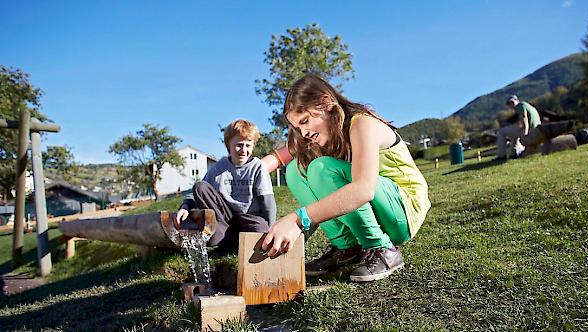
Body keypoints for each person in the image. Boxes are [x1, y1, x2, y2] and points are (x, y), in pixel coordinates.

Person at [261, 74, 431, 282]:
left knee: (320, 168)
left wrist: (298, 219)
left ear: (325, 103)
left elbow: (363, 189)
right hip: (378, 210)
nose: (303, 132)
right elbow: (284, 155)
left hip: (403, 211)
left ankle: (382, 249)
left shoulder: (363, 124)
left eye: (305, 121)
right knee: (295, 172)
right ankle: (348, 248)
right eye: (297, 127)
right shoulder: (324, 137)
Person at [175, 119, 276, 254]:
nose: (243, 150)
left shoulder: (257, 167)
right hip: (225, 217)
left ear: (253, 145)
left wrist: (270, 227)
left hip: (249, 216)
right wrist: (185, 207)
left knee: (260, 229)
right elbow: (198, 192)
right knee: (200, 186)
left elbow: (267, 201)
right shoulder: (219, 167)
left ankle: (232, 241)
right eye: (239, 145)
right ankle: (221, 234)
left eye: (248, 145)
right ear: (228, 144)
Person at [496, 95, 542, 160]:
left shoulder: (520, 105)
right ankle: (513, 154)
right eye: (509, 103)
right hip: (537, 130)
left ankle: (501, 156)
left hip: (529, 130)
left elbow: (524, 118)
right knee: (514, 133)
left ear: (517, 100)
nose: (511, 105)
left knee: (501, 132)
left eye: (512, 102)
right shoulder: (529, 106)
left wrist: (525, 133)